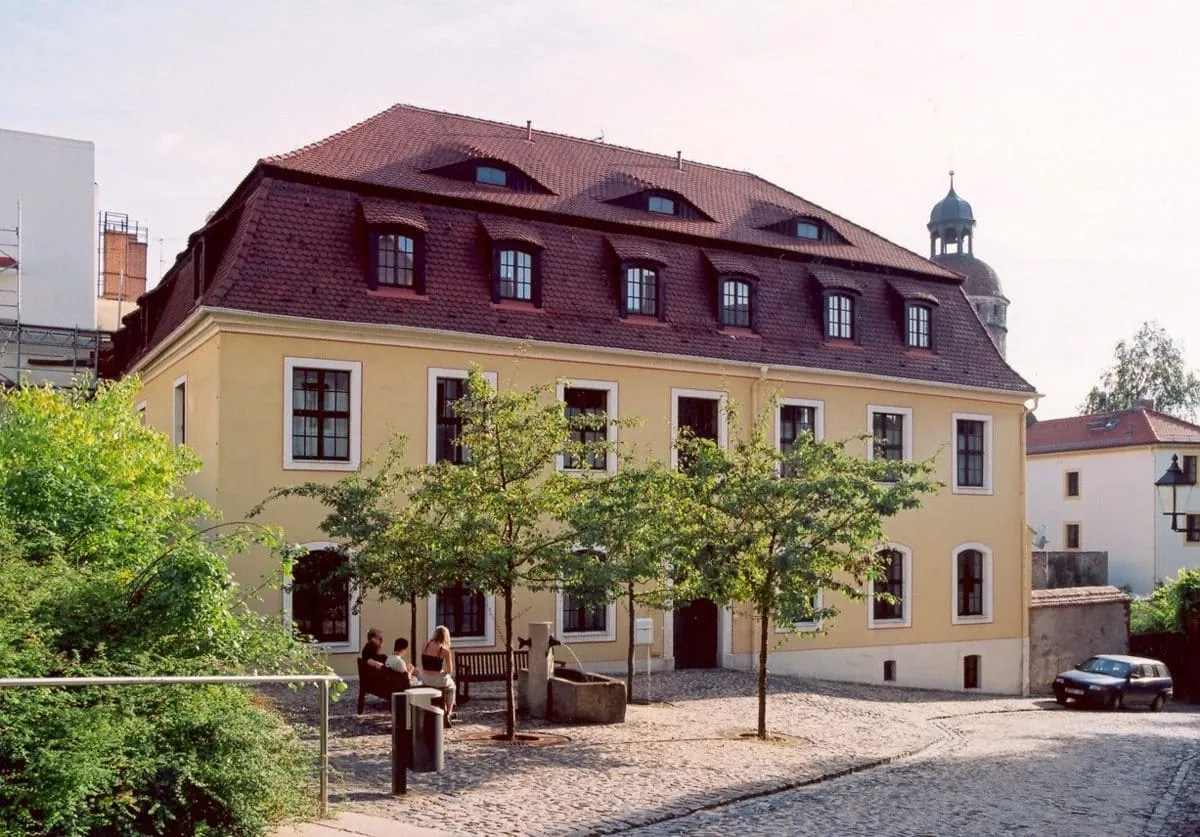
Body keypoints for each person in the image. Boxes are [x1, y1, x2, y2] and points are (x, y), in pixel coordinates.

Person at [419, 625, 457, 728]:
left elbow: (424, 662)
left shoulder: (425, 645)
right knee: (452, 688)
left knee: (446, 683)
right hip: (436, 680)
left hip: (424, 678)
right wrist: (443, 671)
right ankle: (448, 713)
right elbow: (449, 670)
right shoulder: (444, 651)